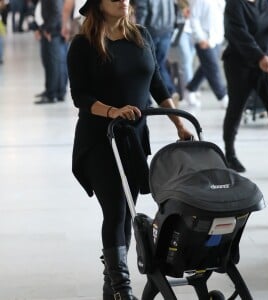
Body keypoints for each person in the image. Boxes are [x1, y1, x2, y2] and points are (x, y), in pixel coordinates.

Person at [67, 0, 193, 299]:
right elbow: (80, 96)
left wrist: (179, 123)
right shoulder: (83, 44)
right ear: (98, 5)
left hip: (133, 139)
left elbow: (158, 85)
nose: (123, 0)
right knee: (115, 210)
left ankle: (111, 284)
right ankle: (123, 289)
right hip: (99, 138)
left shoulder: (141, 36)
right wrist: (113, 111)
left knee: (128, 213)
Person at [222, 0, 268, 173]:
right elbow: (237, 34)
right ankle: (230, 155)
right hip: (241, 64)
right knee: (236, 108)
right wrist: (259, 57)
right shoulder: (234, 5)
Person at [184, 0, 228, 109]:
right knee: (213, 68)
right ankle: (223, 97)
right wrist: (200, 38)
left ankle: (190, 89)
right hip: (204, 40)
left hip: (217, 39)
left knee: (206, 67)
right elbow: (193, 18)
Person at [135, 0, 178, 100]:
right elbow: (175, 9)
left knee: (147, 65)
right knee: (160, 64)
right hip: (167, 31)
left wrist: (136, 31)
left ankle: (147, 99)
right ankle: (170, 92)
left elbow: (142, 11)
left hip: (150, 32)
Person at [33, 0, 68, 104]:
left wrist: (47, 29)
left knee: (53, 64)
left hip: (52, 32)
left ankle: (51, 94)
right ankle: (57, 92)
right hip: (53, 30)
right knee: (55, 63)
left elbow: (57, 12)